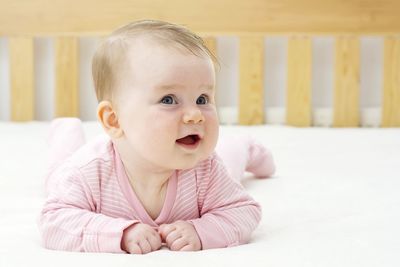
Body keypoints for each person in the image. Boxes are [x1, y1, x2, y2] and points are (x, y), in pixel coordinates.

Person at [39, 20, 275, 254]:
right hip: (74, 165)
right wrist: (120, 234)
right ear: (114, 120)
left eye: (202, 99)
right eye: (169, 100)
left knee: (227, 160)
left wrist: (201, 230)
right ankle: (66, 129)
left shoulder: (206, 168)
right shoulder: (87, 173)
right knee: (57, 173)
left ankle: (243, 146)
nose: (195, 115)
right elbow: (54, 222)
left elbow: (244, 211)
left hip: (205, 160)